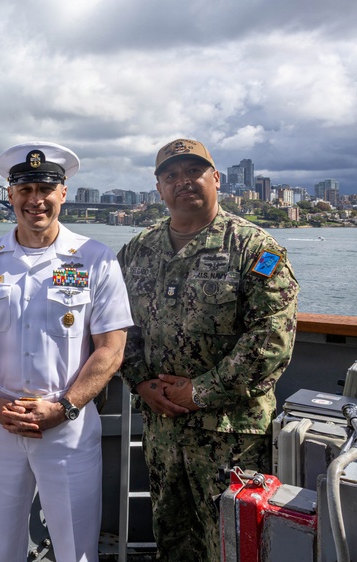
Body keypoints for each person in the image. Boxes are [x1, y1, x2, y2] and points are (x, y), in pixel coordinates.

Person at [118, 139, 299, 561]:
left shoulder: (256, 250)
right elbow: (116, 326)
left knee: (236, 545)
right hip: (164, 432)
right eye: (171, 176)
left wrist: (198, 391)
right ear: (159, 188)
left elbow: (271, 339)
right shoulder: (136, 252)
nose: (183, 182)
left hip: (232, 438)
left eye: (194, 172)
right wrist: (141, 382)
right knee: (174, 541)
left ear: (216, 179)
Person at [0, 141, 132, 562]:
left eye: (45, 189)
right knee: (1, 548)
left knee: (76, 551)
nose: (35, 200)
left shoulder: (95, 258)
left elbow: (111, 349)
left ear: (63, 193)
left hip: (67, 425)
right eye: (25, 190)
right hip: (3, 424)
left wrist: (66, 408)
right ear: (10, 195)